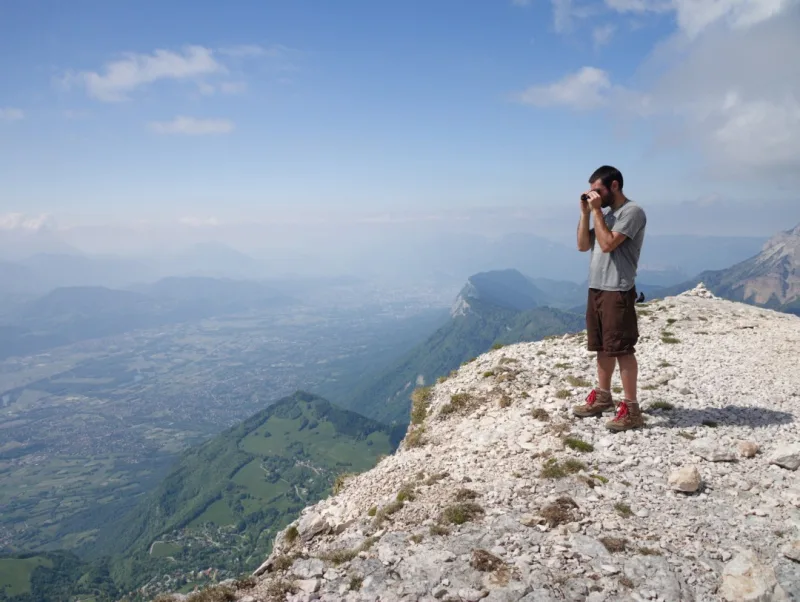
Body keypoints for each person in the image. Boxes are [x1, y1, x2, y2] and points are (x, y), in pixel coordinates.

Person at [572, 165, 647, 431]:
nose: (594, 195)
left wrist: (595, 213)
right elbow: (583, 245)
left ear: (614, 186)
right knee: (603, 346)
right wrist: (585, 214)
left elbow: (607, 244)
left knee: (622, 348)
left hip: (618, 289)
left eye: (598, 190)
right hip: (597, 287)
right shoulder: (606, 215)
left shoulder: (631, 212)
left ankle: (632, 409)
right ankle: (603, 397)